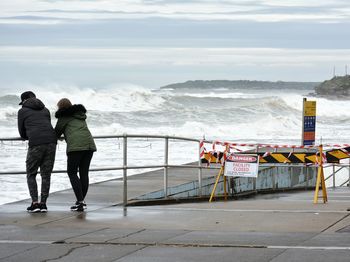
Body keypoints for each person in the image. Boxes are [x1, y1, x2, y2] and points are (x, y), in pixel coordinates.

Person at [17, 91, 57, 213]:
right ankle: (43, 203)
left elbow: (22, 132)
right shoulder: (45, 109)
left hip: (36, 143)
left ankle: (35, 203)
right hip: (51, 142)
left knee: (31, 172)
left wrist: (28, 136)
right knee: (46, 174)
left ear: (24, 100)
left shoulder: (22, 111)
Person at [54, 98, 96, 212]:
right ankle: (81, 202)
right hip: (89, 145)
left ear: (60, 107)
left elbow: (56, 133)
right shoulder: (80, 115)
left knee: (72, 172)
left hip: (76, 147)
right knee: (84, 173)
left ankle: (80, 202)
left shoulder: (63, 117)